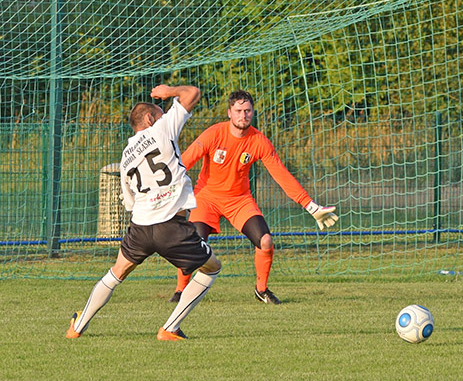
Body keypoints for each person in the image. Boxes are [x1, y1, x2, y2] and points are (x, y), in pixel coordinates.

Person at [66, 84, 221, 341]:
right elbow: (192, 93)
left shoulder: (126, 157)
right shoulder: (161, 128)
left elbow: (130, 201)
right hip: (171, 225)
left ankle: (78, 326)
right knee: (212, 267)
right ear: (150, 118)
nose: (165, 116)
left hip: (140, 227)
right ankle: (169, 329)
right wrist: (169, 91)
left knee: (116, 273)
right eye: (161, 112)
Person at [168, 90, 338, 305]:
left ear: (252, 112)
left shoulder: (259, 141)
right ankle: (180, 290)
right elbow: (185, 161)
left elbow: (281, 175)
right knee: (194, 245)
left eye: (247, 111)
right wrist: (164, 188)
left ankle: (261, 290)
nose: (243, 115)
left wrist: (310, 206)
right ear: (230, 113)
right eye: (238, 111)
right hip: (206, 198)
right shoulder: (214, 134)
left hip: (239, 201)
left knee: (265, 241)